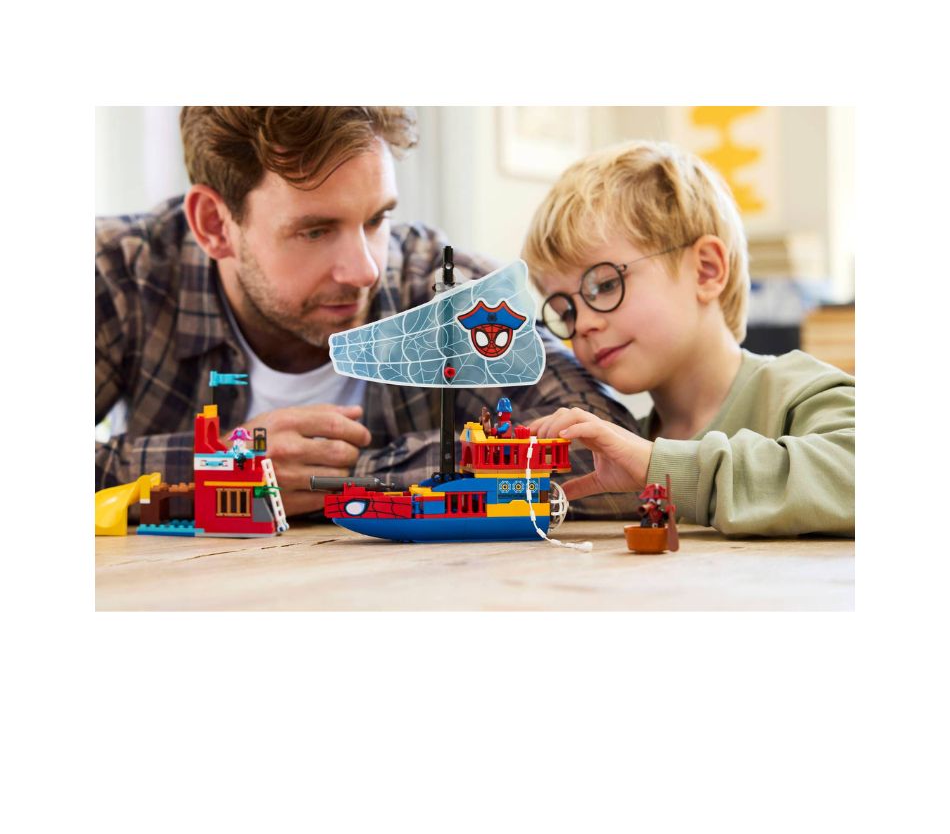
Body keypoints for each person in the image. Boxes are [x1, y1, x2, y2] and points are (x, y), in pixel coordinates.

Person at [96, 106, 639, 518]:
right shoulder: (121, 272)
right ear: (215, 225)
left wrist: (337, 474)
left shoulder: (444, 287)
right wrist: (221, 468)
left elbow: (610, 453)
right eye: (315, 231)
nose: (364, 270)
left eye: (377, 220)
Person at [522, 139, 855, 537]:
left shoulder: (797, 391)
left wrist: (660, 468)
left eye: (605, 285)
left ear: (706, 271)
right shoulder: (622, 449)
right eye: (566, 312)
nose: (583, 325)